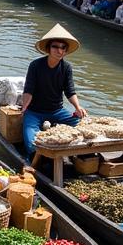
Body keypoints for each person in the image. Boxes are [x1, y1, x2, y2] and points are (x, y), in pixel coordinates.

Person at [20, 23, 87, 159]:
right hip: (35, 112)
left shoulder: (66, 68)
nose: (59, 50)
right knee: (31, 142)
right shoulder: (35, 65)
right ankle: (36, 159)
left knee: (84, 127)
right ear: (48, 49)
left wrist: (78, 107)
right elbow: (29, 90)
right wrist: (24, 107)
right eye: (55, 47)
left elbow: (70, 91)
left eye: (63, 48)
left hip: (57, 111)